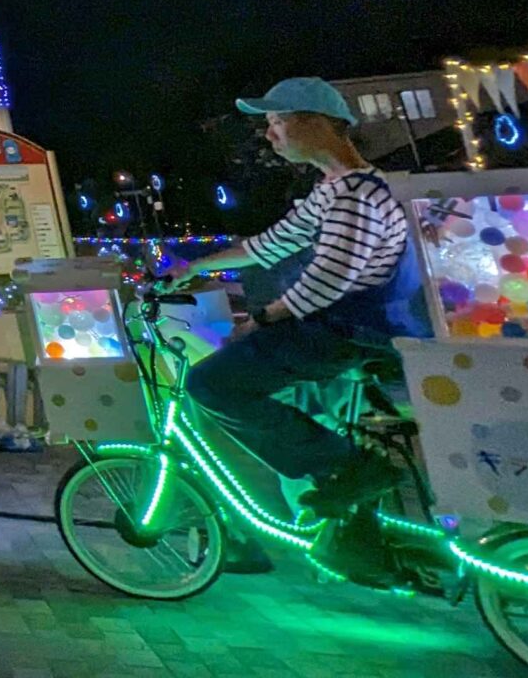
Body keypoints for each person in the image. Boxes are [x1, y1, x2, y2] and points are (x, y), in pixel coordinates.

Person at [169, 78, 429, 562]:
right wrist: (194, 267)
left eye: (278, 122)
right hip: (341, 329)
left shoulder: (355, 196)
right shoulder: (333, 189)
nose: (270, 135)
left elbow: (330, 277)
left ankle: (349, 466)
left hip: (350, 332)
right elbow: (273, 243)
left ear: (318, 124)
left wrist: (262, 318)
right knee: (268, 395)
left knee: (210, 385)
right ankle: (350, 527)